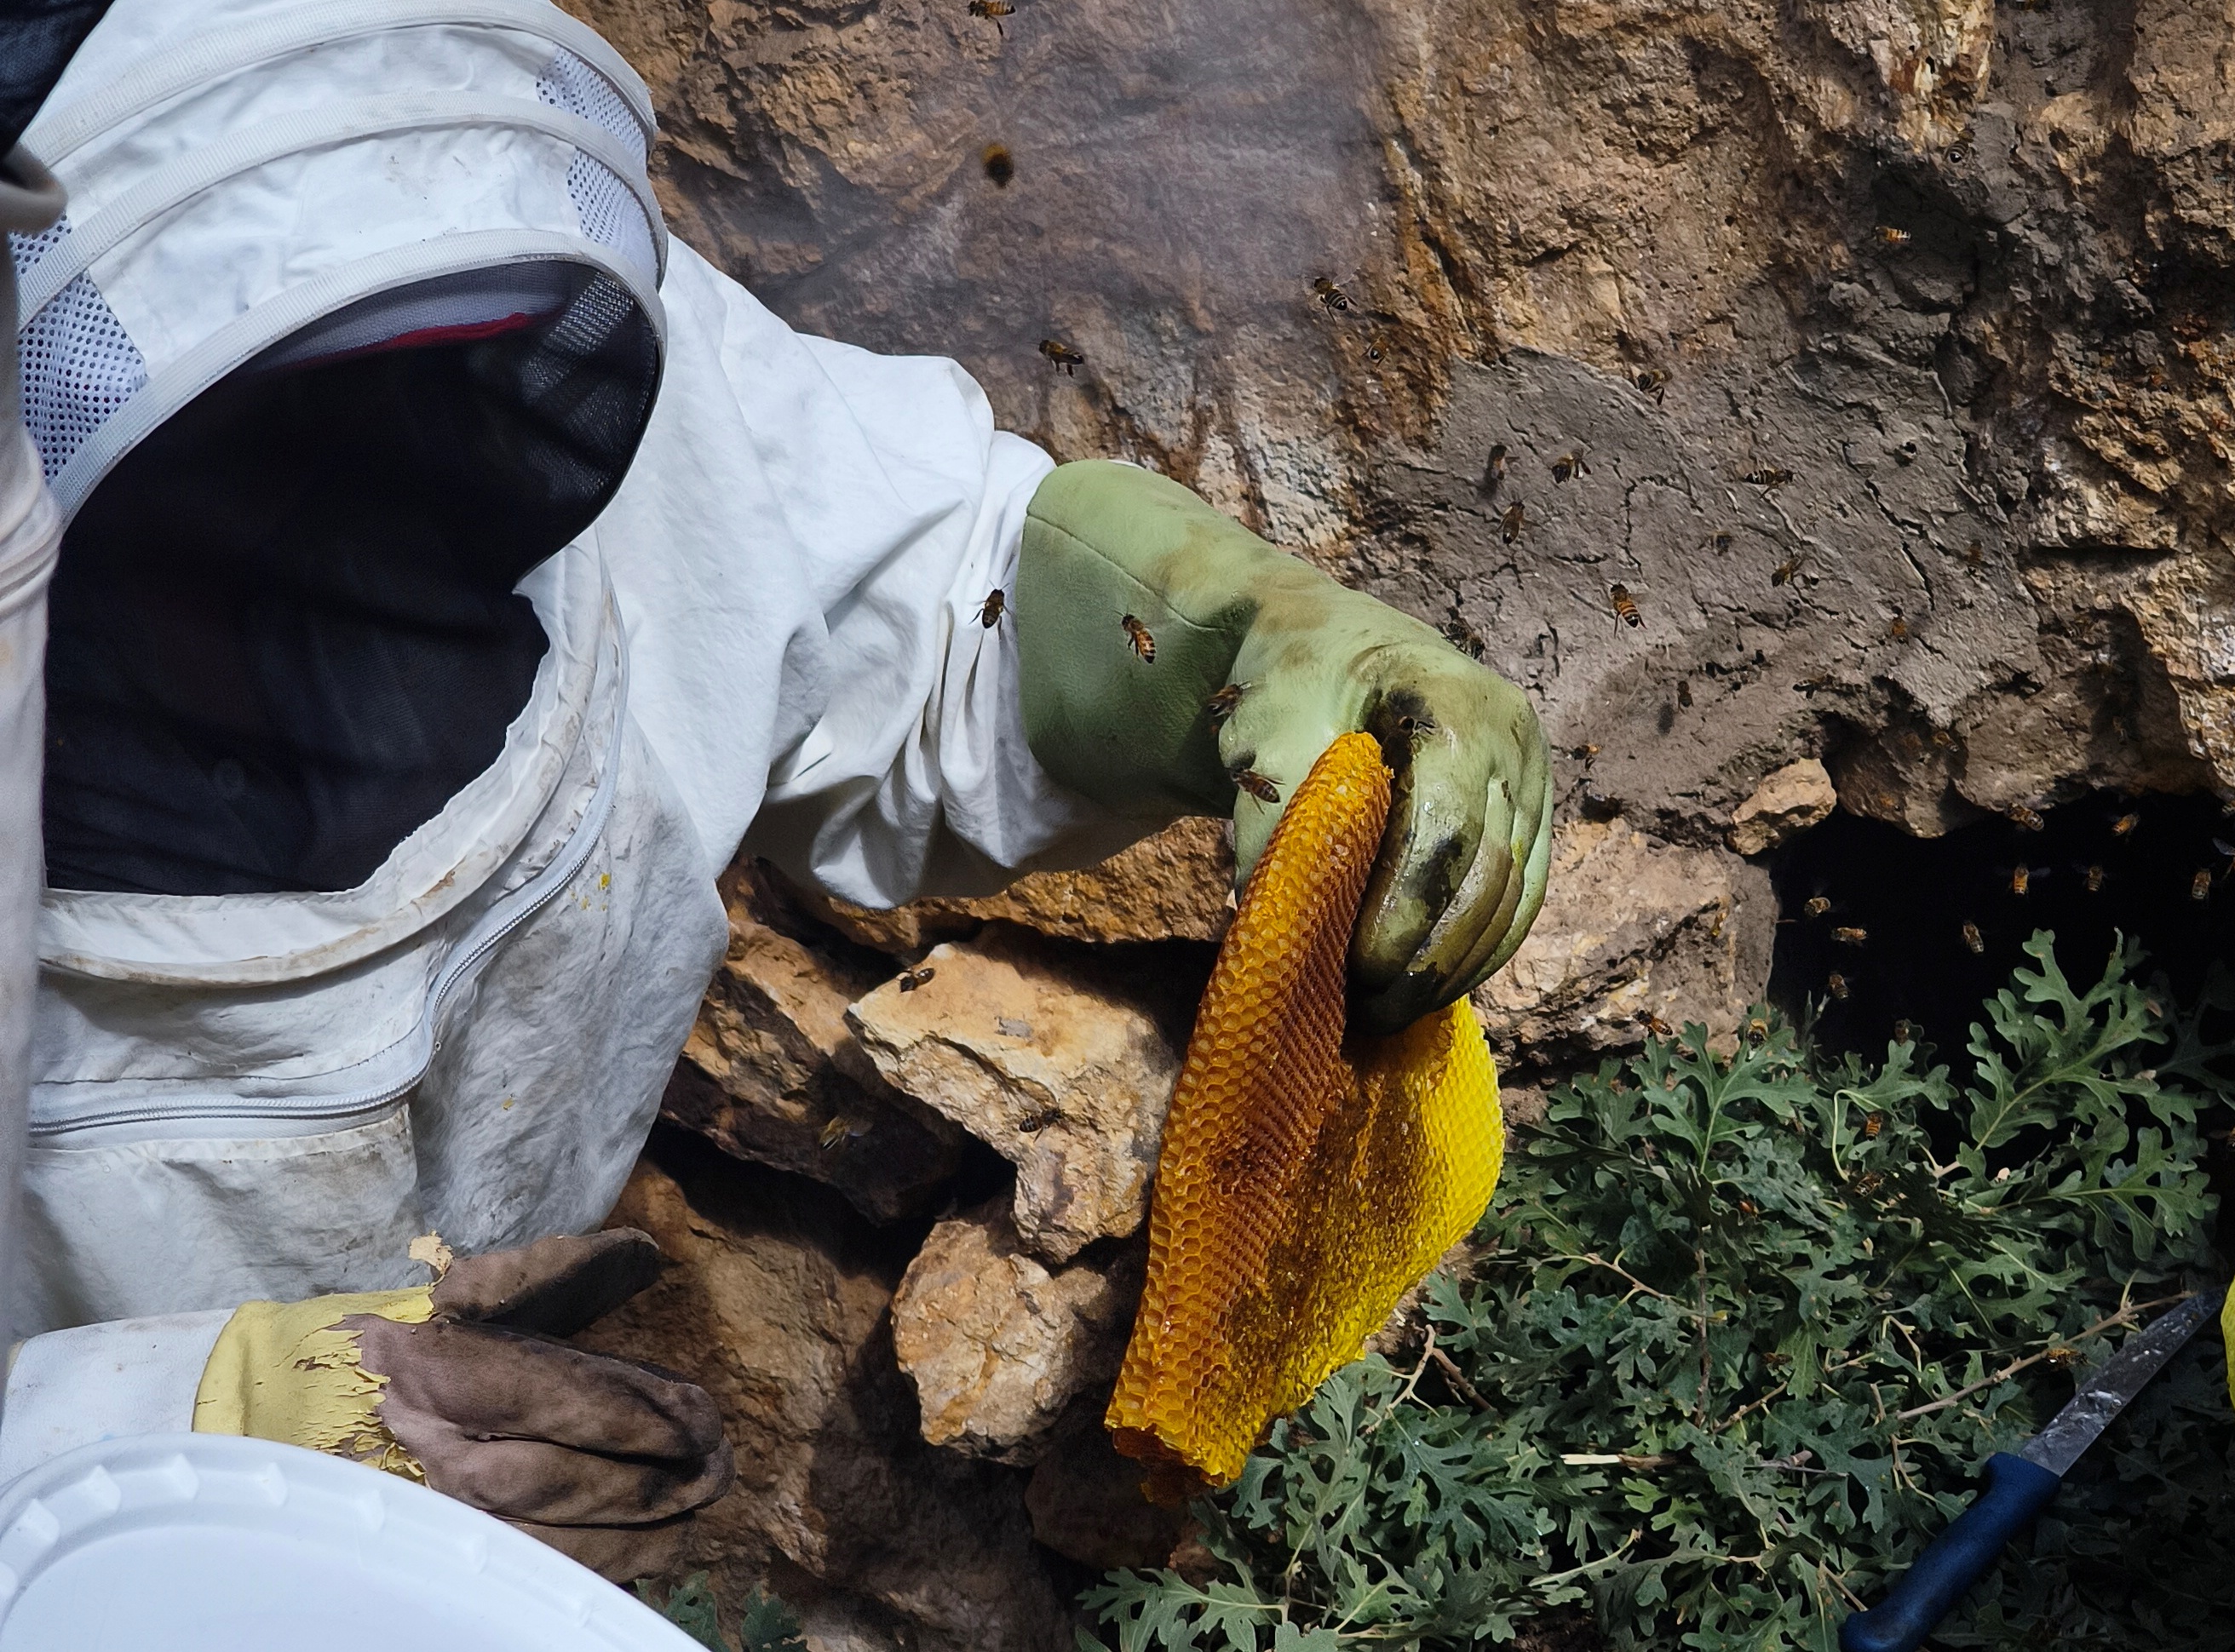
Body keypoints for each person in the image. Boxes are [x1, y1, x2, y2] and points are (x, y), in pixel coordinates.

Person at [0, 0, 1552, 1576]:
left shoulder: (414, 241)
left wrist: (1228, 638)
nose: (319, 503)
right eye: (261, 454)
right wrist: (152, 1431)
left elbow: (900, 574)